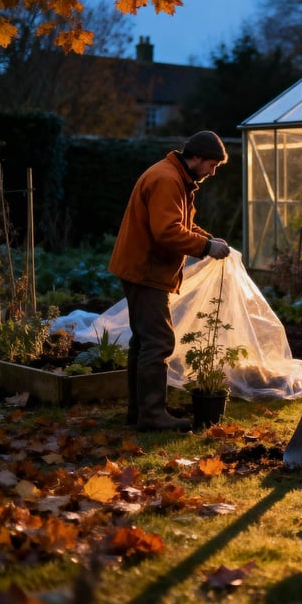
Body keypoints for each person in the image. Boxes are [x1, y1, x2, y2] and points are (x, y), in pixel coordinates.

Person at [109, 131, 232, 431]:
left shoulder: (175, 177)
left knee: (143, 342)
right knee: (158, 341)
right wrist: (206, 248)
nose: (213, 172)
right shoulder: (167, 180)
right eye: (212, 165)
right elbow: (166, 231)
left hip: (141, 268)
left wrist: (207, 238)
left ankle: (139, 412)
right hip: (146, 271)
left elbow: (181, 224)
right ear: (197, 158)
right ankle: (152, 415)